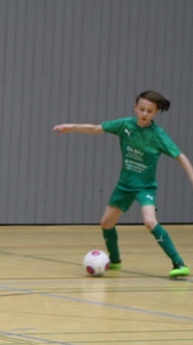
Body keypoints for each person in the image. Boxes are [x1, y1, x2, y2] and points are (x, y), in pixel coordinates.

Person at [54, 90, 192, 278]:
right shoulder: (124, 125)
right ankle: (115, 261)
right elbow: (95, 129)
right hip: (124, 185)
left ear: (156, 113)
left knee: (150, 221)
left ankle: (179, 263)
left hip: (145, 187)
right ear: (135, 107)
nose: (144, 114)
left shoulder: (158, 135)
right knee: (106, 223)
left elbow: (180, 156)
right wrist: (71, 127)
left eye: (150, 111)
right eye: (142, 109)